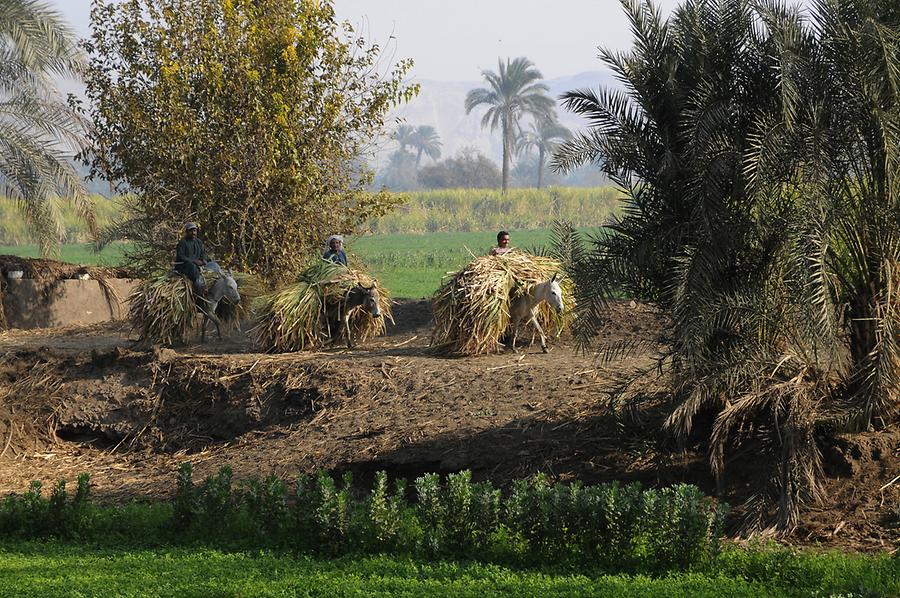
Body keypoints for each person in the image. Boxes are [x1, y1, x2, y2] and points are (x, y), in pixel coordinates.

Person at [174, 222, 220, 290]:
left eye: (194, 230)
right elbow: (181, 257)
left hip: (200, 265)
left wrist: (204, 259)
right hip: (186, 266)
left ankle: (218, 281)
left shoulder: (198, 242)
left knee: (214, 265)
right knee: (192, 267)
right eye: (191, 231)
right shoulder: (183, 242)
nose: (193, 233)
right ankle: (198, 284)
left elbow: (203, 253)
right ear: (187, 232)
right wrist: (194, 261)